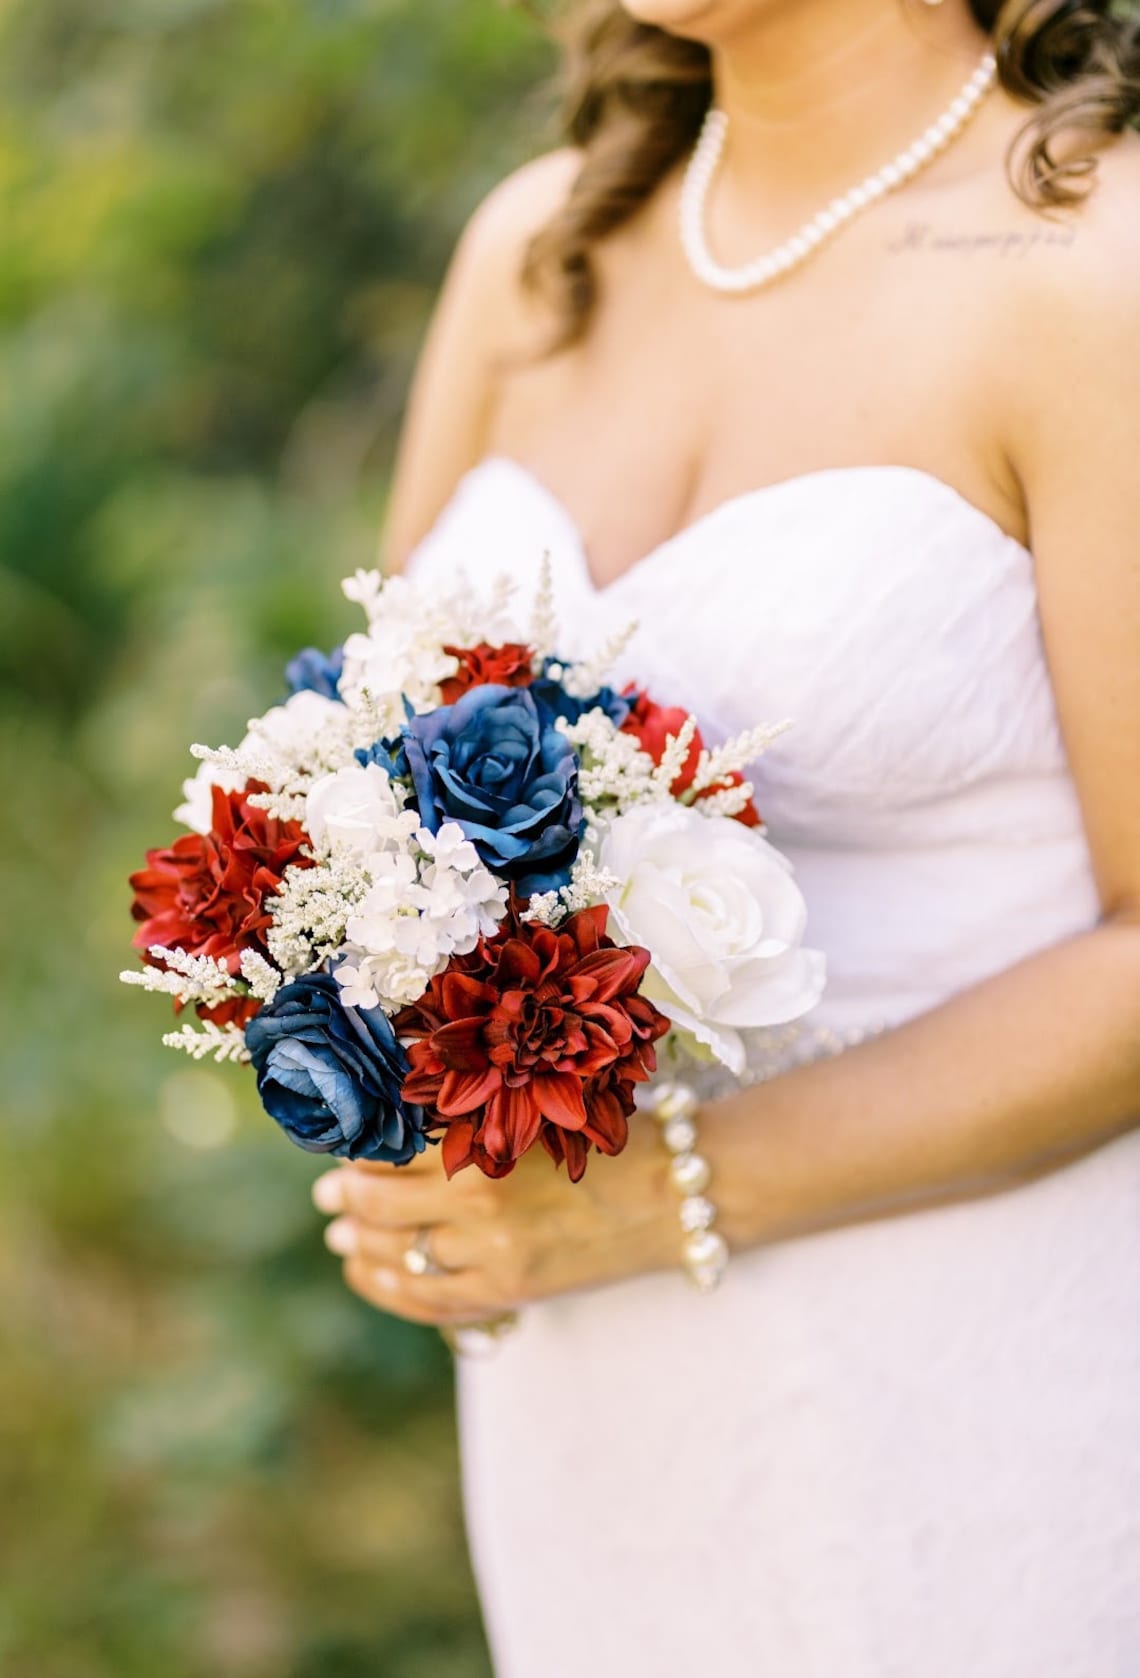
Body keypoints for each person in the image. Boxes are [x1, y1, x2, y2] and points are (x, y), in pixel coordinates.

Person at [309, 1, 1140, 1671]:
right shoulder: (539, 253)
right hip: (587, 1417)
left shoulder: (1093, 257)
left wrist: (662, 1192)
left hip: (981, 1382)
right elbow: (359, 787)